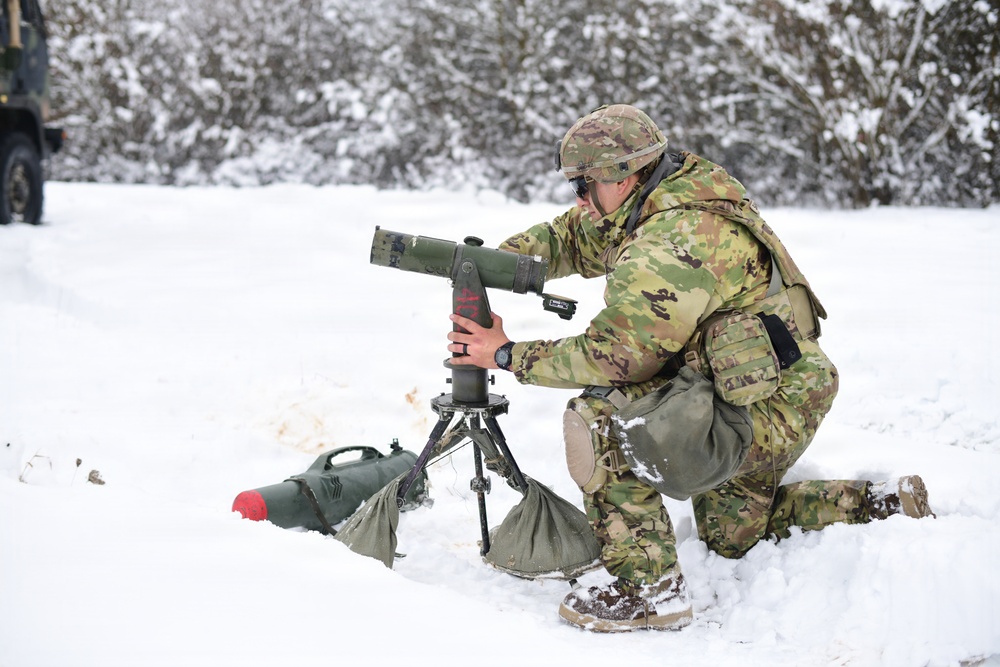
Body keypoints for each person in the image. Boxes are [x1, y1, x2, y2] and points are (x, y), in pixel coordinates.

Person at [447, 104, 934, 633]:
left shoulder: (673, 238)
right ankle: (879, 504)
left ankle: (649, 591)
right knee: (730, 538)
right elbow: (571, 237)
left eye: (583, 185)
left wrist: (505, 354)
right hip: (764, 381)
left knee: (602, 421)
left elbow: (619, 356)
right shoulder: (662, 190)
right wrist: (499, 264)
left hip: (770, 402)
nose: (580, 200)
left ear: (623, 174)